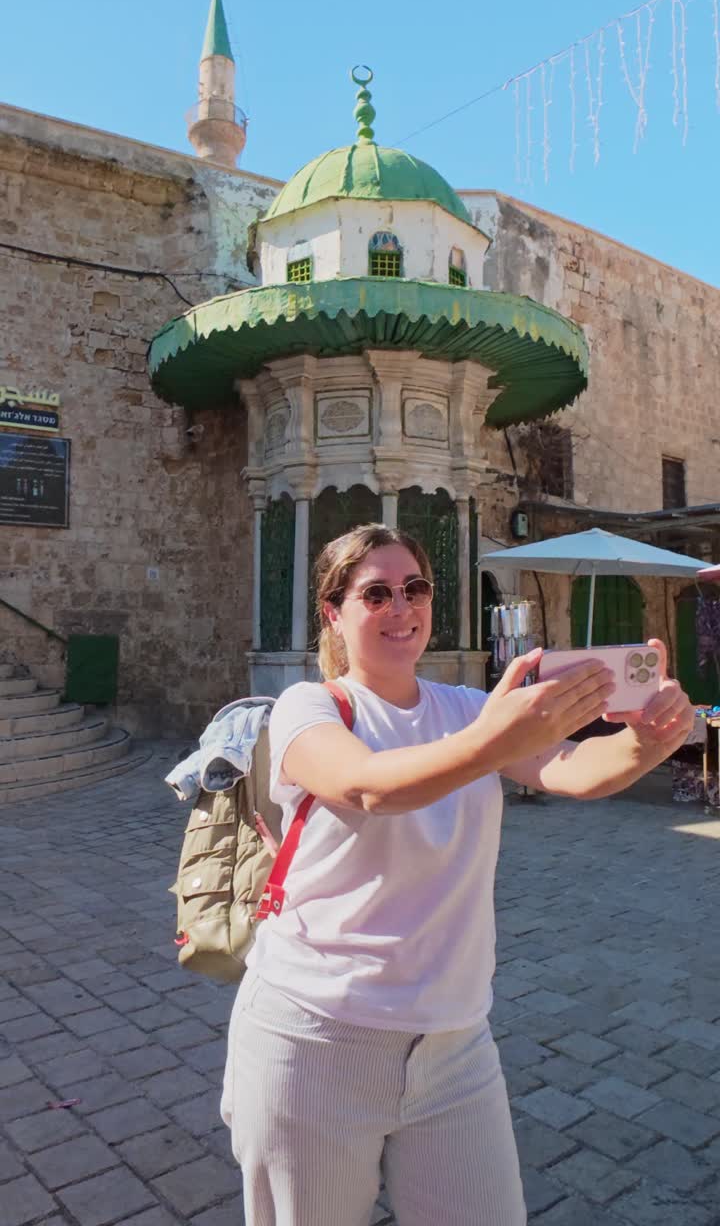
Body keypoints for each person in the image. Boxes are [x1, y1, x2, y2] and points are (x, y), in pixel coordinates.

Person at [221, 523, 692, 1226]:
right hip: (315, 1039)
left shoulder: (466, 708)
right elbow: (368, 787)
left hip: (455, 1045)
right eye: (375, 593)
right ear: (334, 613)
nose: (402, 608)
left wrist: (646, 744)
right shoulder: (309, 708)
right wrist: (496, 737)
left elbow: (570, 769)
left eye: (415, 589)